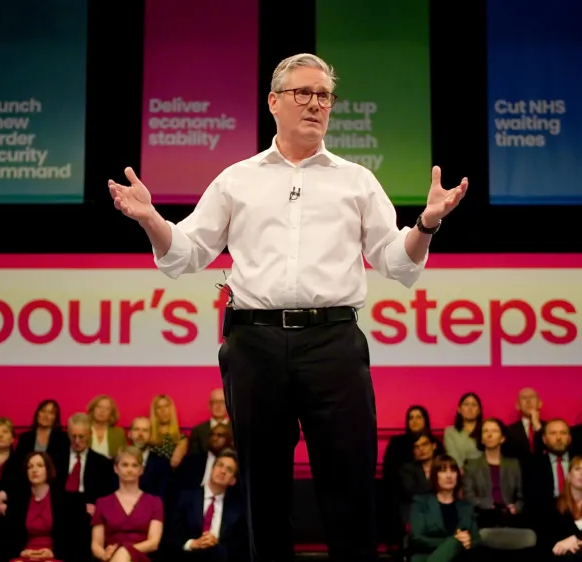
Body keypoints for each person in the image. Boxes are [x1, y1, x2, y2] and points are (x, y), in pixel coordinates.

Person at [108, 52, 468, 562]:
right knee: (264, 490)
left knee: (349, 486)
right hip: (255, 345)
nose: (316, 104)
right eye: (304, 93)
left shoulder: (357, 180)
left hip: (334, 345)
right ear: (274, 101)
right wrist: (150, 219)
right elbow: (185, 254)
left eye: (324, 96)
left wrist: (426, 224)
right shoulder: (237, 179)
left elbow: (396, 262)